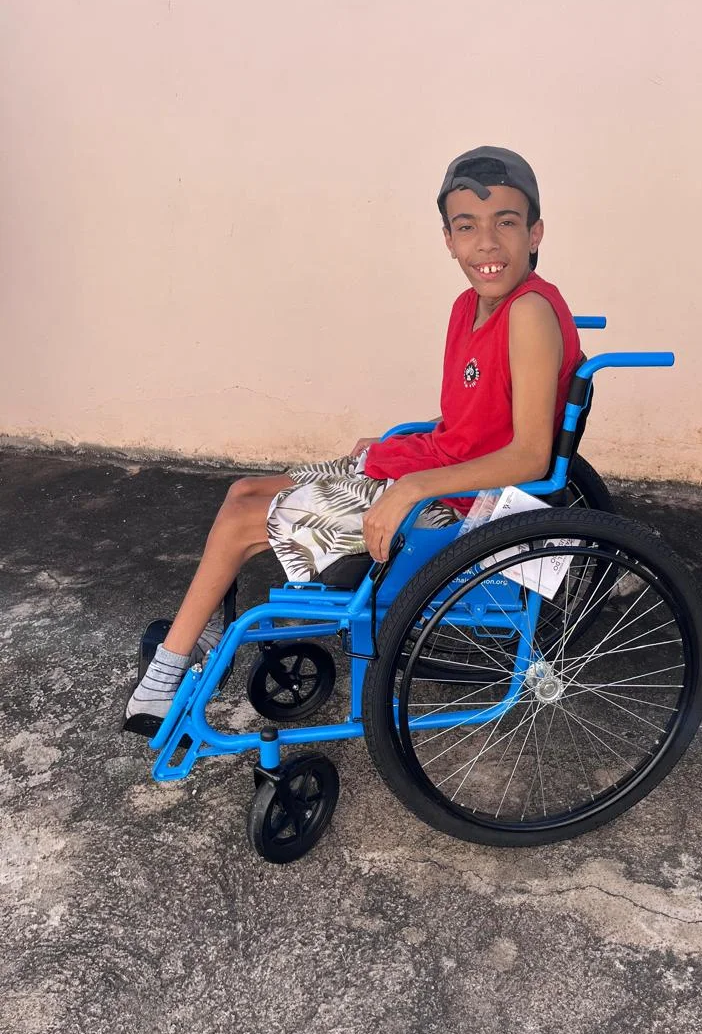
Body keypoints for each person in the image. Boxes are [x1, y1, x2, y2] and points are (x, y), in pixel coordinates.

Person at [123, 147, 582, 735]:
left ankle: (166, 673)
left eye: (506, 223)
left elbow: (531, 456)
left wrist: (409, 485)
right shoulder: (469, 306)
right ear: (448, 239)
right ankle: (202, 629)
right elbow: (479, 416)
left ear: (535, 232)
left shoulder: (528, 314)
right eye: (467, 227)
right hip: (441, 467)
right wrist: (409, 443)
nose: (487, 244)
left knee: (242, 521)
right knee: (244, 491)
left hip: (464, 507)